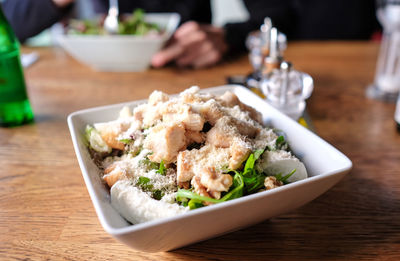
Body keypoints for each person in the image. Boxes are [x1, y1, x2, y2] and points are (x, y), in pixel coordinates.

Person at [1, 0, 380, 68]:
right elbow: (12, 25)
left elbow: (277, 14)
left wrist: (226, 37)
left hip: (193, 69)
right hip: (86, 77)